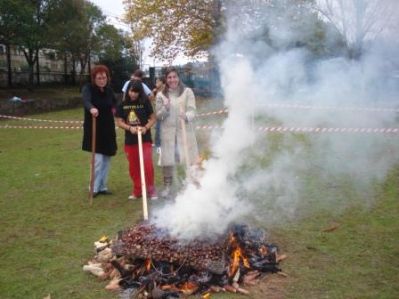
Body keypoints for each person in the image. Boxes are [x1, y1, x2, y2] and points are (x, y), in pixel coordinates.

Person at [155, 67, 199, 198]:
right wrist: (165, 108)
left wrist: (186, 115)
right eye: (169, 77)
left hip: (185, 132)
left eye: (174, 77)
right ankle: (168, 187)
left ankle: (192, 184)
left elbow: (192, 110)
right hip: (168, 133)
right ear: (166, 79)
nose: (172, 79)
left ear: (178, 78)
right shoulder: (161, 95)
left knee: (189, 158)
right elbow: (158, 116)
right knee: (167, 159)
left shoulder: (187, 92)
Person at [115, 80, 158, 200]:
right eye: (131, 91)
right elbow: (119, 122)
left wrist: (145, 128)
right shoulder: (122, 104)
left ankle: (151, 190)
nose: (133, 94)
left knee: (147, 165)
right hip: (130, 141)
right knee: (134, 167)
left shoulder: (145, 103)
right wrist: (130, 128)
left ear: (140, 93)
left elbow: (153, 118)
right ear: (127, 90)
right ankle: (138, 190)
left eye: (136, 92)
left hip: (145, 139)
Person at [82, 65, 117, 197]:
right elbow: (86, 101)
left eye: (104, 77)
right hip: (94, 129)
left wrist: (115, 111)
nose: (102, 80)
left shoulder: (109, 90)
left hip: (108, 129)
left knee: (107, 159)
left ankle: (102, 186)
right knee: (97, 161)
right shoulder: (88, 88)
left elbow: (114, 104)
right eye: (99, 78)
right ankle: (94, 188)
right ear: (94, 78)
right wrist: (91, 108)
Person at [152, 76, 166, 151]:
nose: (156, 83)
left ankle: (159, 144)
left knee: (159, 128)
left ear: (162, 82)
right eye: (156, 82)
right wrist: (154, 92)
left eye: (158, 82)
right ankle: (158, 143)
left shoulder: (165, 89)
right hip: (158, 112)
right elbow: (152, 99)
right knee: (158, 128)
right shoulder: (157, 90)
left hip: (164, 112)